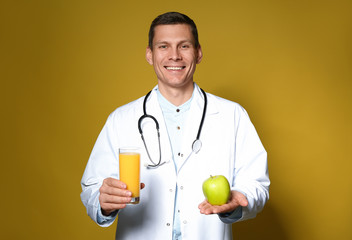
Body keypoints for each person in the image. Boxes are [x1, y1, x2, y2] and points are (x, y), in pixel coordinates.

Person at [80, 12, 270, 240]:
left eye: (184, 46)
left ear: (198, 53)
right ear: (149, 55)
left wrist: (238, 201)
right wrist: (103, 203)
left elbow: (257, 184)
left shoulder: (232, 115)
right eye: (163, 46)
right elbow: (92, 188)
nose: (174, 56)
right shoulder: (121, 119)